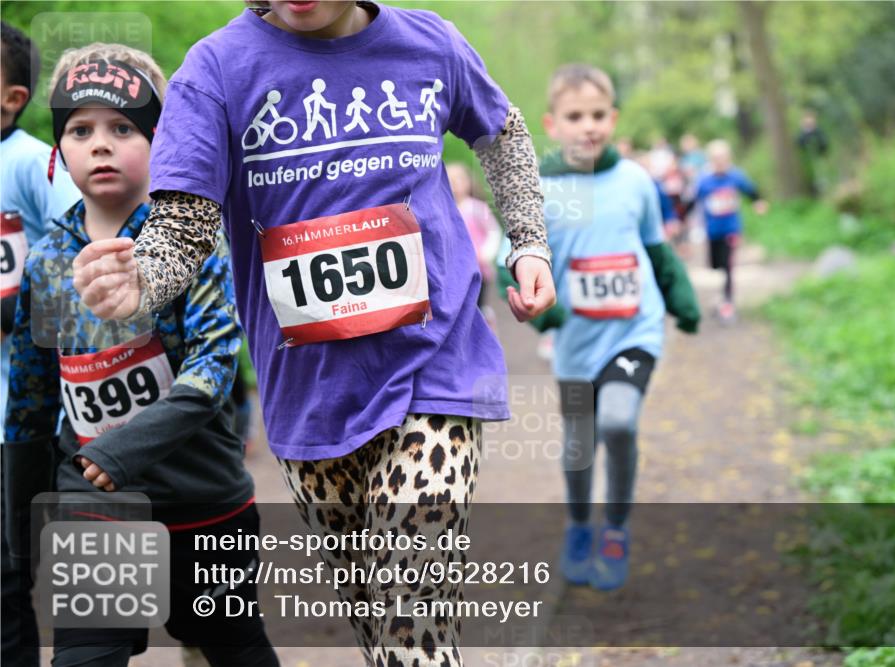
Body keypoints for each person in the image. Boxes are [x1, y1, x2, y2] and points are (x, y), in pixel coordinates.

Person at [69, 2, 556, 665]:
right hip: (309, 395)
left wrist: (528, 242)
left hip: (435, 366)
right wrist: (142, 282)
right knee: (376, 617)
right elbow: (183, 220)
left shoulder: (430, 43)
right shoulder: (215, 70)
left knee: (409, 608)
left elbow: (504, 132)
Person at [3, 44, 278, 667]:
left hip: (204, 506)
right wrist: (22, 533)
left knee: (233, 648)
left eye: (123, 128)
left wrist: (122, 449)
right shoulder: (49, 260)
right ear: (58, 152)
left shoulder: (191, 240)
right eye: (80, 129)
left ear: (163, 141)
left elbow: (214, 368)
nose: (100, 144)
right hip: (95, 511)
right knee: (86, 657)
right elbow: (30, 399)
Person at [500, 63, 699, 591]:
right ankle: (580, 526)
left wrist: (682, 297)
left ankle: (616, 529)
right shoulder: (538, 186)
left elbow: (656, 247)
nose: (588, 126)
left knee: (616, 421)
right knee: (578, 442)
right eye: (574, 116)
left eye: (597, 115)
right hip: (574, 343)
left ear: (612, 118)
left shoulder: (634, 179)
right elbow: (512, 256)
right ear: (552, 123)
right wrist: (536, 301)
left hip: (635, 330)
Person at [1, 21, 81, 667]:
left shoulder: (33, 161)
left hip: (31, 413)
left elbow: (68, 252)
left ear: (12, 97)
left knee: (20, 572)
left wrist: (14, 309)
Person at [693, 139, 768, 322]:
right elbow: (691, 200)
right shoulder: (704, 180)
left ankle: (728, 303)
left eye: (723, 158)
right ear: (710, 159)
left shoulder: (735, 176)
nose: (720, 162)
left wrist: (758, 202)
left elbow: (751, 190)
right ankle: (722, 297)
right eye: (716, 158)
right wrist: (677, 220)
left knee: (728, 266)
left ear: (728, 158)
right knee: (716, 265)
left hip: (731, 229)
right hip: (712, 231)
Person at [446, 161, 502, 328]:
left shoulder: (477, 208)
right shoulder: (444, 210)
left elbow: (494, 231)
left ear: (468, 182)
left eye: (458, 179)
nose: (454, 184)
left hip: (478, 268)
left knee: (478, 304)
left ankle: (485, 326)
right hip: (454, 269)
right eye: (450, 180)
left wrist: (485, 254)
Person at [796, 109, 828, 197]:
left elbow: (824, 144)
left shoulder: (818, 132)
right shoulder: (802, 134)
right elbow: (799, 144)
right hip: (808, 162)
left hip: (818, 159)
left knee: (822, 179)